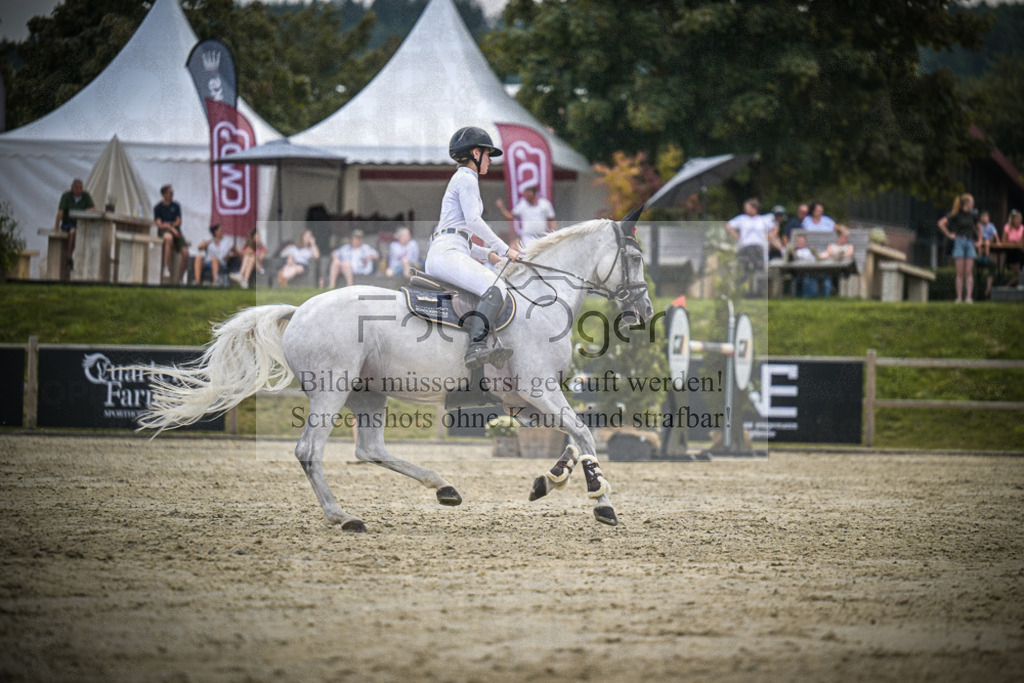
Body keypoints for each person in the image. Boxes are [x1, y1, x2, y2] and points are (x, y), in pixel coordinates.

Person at [424, 126, 520, 369]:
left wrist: (488, 254)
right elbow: (473, 222)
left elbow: (461, 237)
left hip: (447, 249)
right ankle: (476, 347)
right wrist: (503, 249)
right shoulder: (467, 177)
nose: (490, 160)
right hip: (447, 253)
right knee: (497, 287)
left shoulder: (462, 178)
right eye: (488, 155)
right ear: (476, 153)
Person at [726, 198, 777, 294]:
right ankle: (743, 290)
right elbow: (729, 225)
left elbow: (774, 227)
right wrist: (737, 236)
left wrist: (770, 236)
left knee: (758, 269)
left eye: (748, 207)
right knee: (743, 269)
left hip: (758, 247)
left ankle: (758, 291)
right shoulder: (742, 219)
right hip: (745, 246)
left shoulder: (762, 219)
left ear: (754, 208)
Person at [937, 192, 981, 303]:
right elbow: (941, 223)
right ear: (966, 203)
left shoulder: (973, 215)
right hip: (959, 242)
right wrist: (949, 234)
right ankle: (959, 297)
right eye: (971, 201)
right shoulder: (956, 214)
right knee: (960, 273)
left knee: (968, 272)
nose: (973, 204)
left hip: (970, 242)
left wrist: (980, 241)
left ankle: (969, 297)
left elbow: (979, 228)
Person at [495, 182, 557, 249]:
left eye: (527, 194)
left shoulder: (545, 204)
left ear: (533, 194)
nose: (525, 196)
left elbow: (552, 220)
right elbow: (510, 217)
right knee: (530, 254)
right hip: (528, 236)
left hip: (543, 235)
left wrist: (553, 234)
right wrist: (502, 208)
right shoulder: (523, 205)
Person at [53, 178, 96, 271]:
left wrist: (86, 211)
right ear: (72, 187)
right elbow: (61, 212)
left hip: (80, 223)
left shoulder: (86, 196)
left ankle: (84, 261)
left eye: (80, 188)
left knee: (87, 233)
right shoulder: (66, 196)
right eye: (76, 187)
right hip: (68, 222)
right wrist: (56, 226)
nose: (79, 190)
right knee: (73, 231)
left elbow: (93, 208)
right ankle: (69, 256)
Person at [154, 184, 189, 283]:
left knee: (185, 253)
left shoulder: (176, 205)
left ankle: (180, 278)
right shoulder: (158, 207)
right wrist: (170, 227)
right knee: (168, 238)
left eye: (173, 192)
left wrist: (171, 226)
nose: (172, 194)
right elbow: (159, 224)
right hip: (165, 230)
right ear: (164, 194)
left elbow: (179, 221)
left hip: (176, 230)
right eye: (170, 192)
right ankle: (165, 266)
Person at [977, 211, 999, 299]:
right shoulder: (979, 226)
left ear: (988, 218)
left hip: (988, 241)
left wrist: (997, 242)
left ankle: (986, 256)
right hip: (981, 241)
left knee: (986, 242)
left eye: (985, 217)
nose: (984, 219)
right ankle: (980, 256)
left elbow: (995, 235)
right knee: (981, 242)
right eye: (982, 217)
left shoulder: (991, 226)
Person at [791, 233, 819, 297]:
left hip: (809, 271)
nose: (800, 243)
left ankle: (811, 297)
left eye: (801, 241)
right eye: (798, 241)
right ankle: (803, 297)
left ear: (805, 243)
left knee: (810, 279)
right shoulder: (794, 251)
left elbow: (812, 259)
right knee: (802, 279)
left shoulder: (808, 251)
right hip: (796, 271)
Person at [1002, 209, 1023, 288]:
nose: (1019, 220)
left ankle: (1008, 286)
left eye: (1020, 218)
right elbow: (1004, 242)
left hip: (1020, 254)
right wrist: (1014, 243)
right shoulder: (1007, 227)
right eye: (1017, 218)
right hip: (1011, 254)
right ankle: (1007, 286)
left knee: (1021, 274)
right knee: (1020, 274)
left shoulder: (1022, 228)